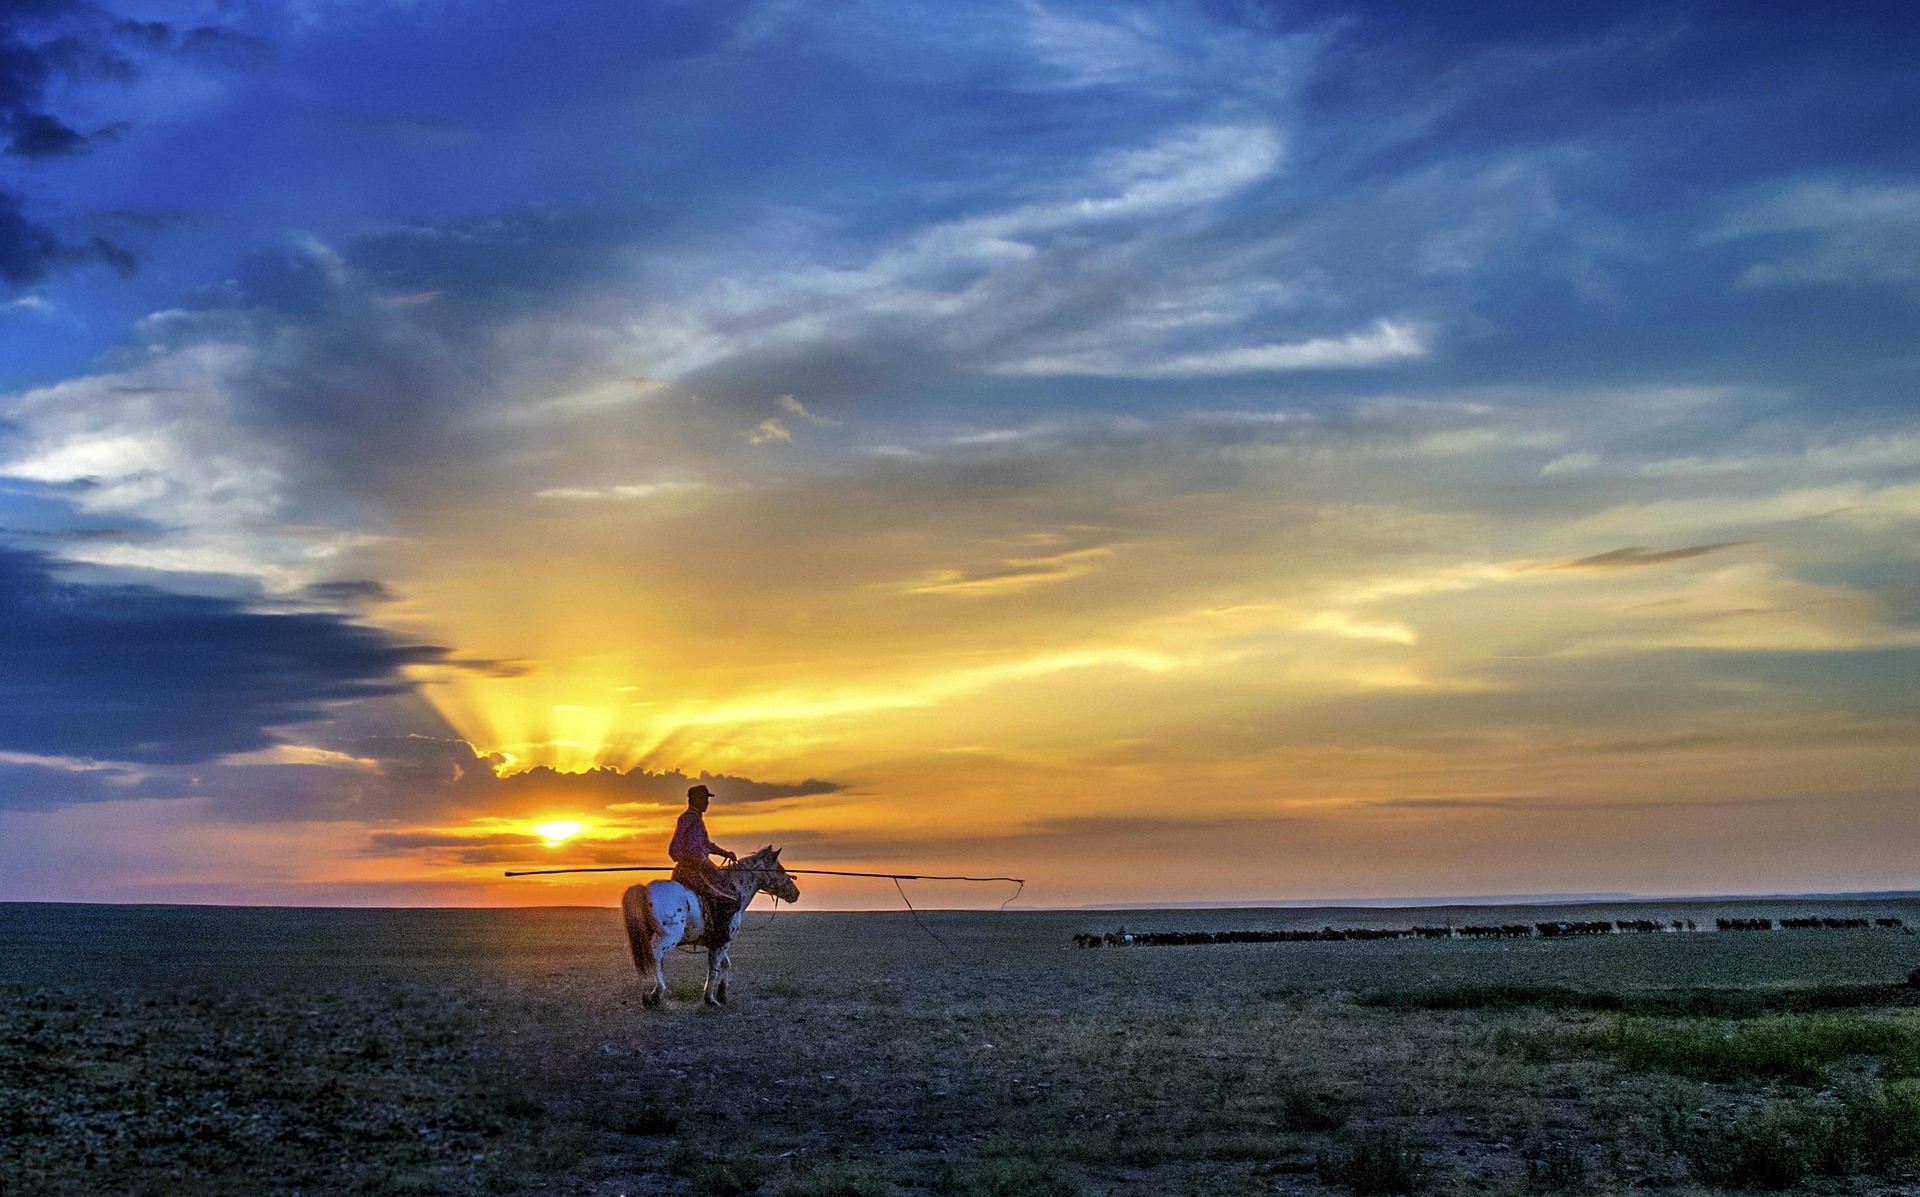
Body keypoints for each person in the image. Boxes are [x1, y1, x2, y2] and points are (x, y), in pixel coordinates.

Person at [669, 784, 740, 942]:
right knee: (727, 899)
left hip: (690, 868)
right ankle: (718, 936)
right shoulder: (691, 820)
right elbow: (695, 852)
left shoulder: (694, 819)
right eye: (705, 799)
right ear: (696, 799)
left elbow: (706, 845)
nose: (707, 803)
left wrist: (725, 853)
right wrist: (713, 868)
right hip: (693, 871)